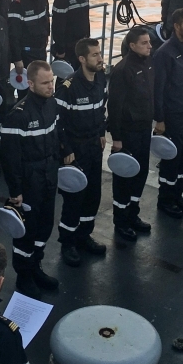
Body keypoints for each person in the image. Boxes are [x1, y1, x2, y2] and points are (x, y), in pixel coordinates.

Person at [0, 61, 62, 298]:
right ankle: (24, 276)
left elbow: (54, 138)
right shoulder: (18, 116)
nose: (50, 86)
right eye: (45, 83)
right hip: (29, 181)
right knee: (27, 231)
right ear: (30, 83)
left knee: (44, 227)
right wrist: (16, 190)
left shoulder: (51, 105)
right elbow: (10, 158)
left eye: (52, 81)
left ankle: (36, 266)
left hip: (48, 177)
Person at [56, 39, 108, 266]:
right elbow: (57, 123)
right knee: (74, 198)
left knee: (93, 194)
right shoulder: (68, 87)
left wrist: (102, 132)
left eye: (100, 54)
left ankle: (84, 235)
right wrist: (66, 151)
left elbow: (101, 109)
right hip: (75, 150)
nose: (100, 58)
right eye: (95, 55)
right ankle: (68, 243)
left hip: (94, 147)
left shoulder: (101, 79)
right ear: (82, 59)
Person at [107, 27, 155, 242]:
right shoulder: (122, 70)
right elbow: (115, 106)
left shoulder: (146, 64)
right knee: (124, 177)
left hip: (144, 128)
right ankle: (121, 220)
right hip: (128, 133)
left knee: (141, 172)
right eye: (144, 43)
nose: (149, 46)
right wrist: (116, 138)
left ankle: (133, 213)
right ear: (132, 45)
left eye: (149, 42)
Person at [153, 8, 183, 218]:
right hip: (172, 116)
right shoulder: (165, 53)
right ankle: (166, 200)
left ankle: (178, 195)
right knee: (172, 158)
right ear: (177, 26)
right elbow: (158, 89)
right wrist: (159, 119)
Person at [8, 0, 50, 76]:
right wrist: (17, 59)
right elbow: (14, 34)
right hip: (27, 53)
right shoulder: (18, 4)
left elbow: (46, 21)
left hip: (41, 49)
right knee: (27, 86)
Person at [52, 0, 91, 68]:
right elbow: (57, 27)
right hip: (69, 47)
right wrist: (61, 50)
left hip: (83, 44)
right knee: (66, 77)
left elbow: (86, 19)